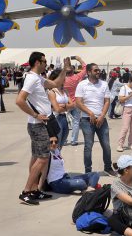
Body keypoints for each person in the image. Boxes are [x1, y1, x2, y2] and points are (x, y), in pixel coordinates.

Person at [16, 52, 71, 205]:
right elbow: (19, 100)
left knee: (36, 157)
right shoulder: (32, 79)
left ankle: (34, 190)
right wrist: (36, 114)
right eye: (44, 61)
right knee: (43, 158)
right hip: (38, 124)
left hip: (40, 125)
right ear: (37, 62)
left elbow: (55, 84)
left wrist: (65, 70)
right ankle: (26, 191)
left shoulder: (38, 78)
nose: (46, 63)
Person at [75, 63, 116, 176]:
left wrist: (102, 115)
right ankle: (88, 171)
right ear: (88, 72)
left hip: (102, 120)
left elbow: (107, 101)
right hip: (86, 120)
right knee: (88, 145)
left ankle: (108, 167)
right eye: (96, 70)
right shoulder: (82, 85)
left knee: (106, 145)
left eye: (99, 70)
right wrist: (90, 113)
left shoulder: (104, 84)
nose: (98, 72)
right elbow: (78, 102)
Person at [48, 69, 72, 148]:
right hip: (55, 119)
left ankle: (56, 160)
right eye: (62, 77)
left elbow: (73, 105)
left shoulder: (65, 91)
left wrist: (63, 106)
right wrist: (65, 106)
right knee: (56, 145)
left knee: (61, 144)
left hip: (65, 118)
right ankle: (53, 160)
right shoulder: (52, 92)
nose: (64, 79)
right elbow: (57, 109)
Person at [117, 75, 132, 152]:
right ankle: (120, 145)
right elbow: (120, 99)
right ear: (130, 81)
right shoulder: (124, 88)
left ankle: (131, 143)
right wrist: (130, 95)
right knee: (125, 128)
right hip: (127, 108)